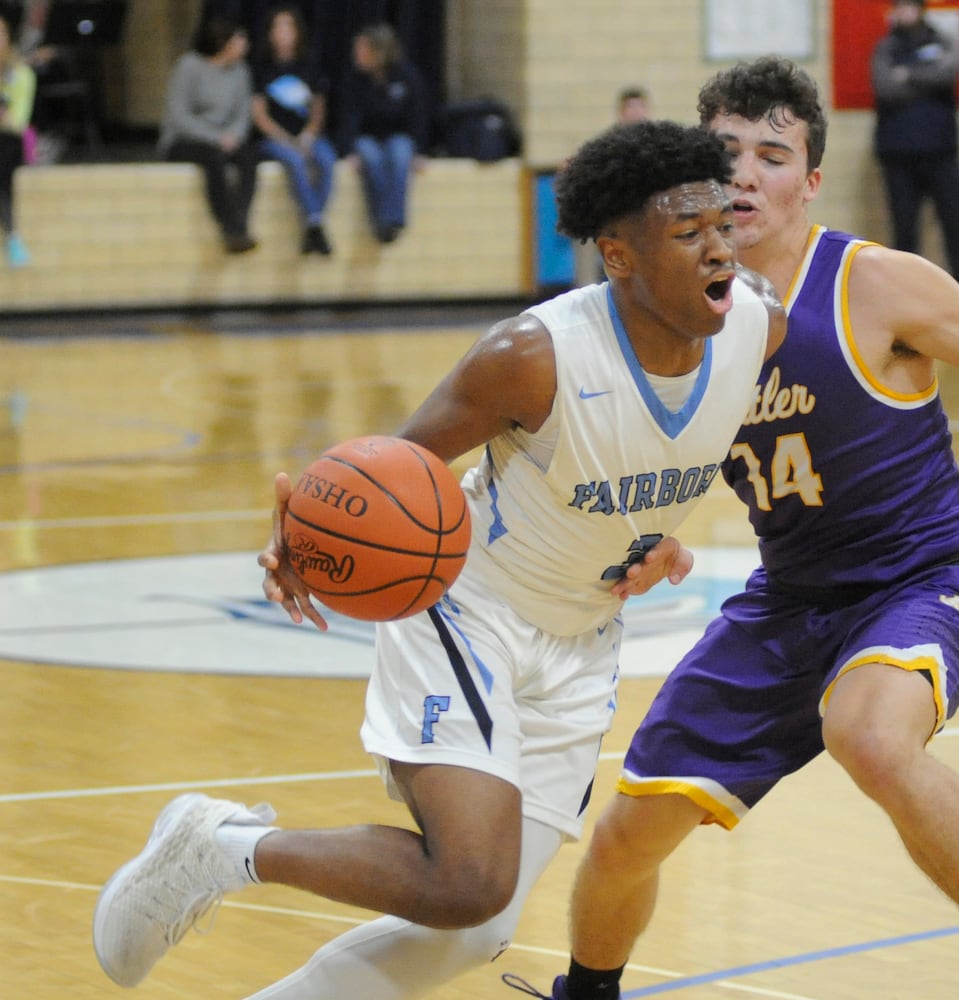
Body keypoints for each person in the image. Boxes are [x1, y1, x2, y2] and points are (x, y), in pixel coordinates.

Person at [91, 118, 788, 998]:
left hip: (583, 639)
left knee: (475, 928)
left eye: (721, 226)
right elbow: (389, 470)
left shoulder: (757, 326)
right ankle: (222, 849)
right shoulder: (532, 357)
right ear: (618, 257)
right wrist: (303, 534)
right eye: (687, 236)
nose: (717, 249)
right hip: (472, 610)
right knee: (467, 881)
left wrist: (661, 537)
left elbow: (674, 444)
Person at [508, 56, 959, 1000]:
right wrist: (651, 536)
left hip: (917, 582)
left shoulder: (873, 283)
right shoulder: (679, 315)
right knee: (630, 830)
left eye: (772, 153)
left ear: (809, 182)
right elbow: (663, 459)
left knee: (867, 734)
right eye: (725, 151)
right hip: (787, 599)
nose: (745, 172)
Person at [870, 0, 959, 299]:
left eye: (909, 6)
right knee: (904, 229)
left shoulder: (942, 41)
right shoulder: (886, 47)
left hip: (941, 151)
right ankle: (906, 294)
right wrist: (925, 79)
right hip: (898, 155)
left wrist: (907, 75)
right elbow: (884, 86)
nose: (904, 12)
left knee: (954, 223)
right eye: (899, 7)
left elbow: (949, 72)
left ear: (921, 10)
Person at [159, 16, 260, 254]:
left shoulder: (241, 71)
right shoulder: (189, 66)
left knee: (248, 157)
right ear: (223, 43)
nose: (245, 45)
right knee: (213, 160)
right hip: (187, 139)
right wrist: (216, 138)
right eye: (239, 40)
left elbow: (243, 114)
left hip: (226, 138)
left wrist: (233, 136)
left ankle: (241, 222)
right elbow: (178, 116)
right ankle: (228, 225)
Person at [250, 4, 336, 256]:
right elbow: (259, 115)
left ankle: (314, 222)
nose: (283, 32)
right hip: (276, 137)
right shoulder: (261, 67)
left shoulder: (310, 64)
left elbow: (318, 107)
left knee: (326, 159)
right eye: (278, 27)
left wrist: (308, 134)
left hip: (307, 135)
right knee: (295, 161)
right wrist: (287, 139)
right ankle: (315, 222)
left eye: (288, 26)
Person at [335, 22, 431, 244]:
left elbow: (418, 116)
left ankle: (393, 218)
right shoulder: (354, 79)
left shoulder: (406, 76)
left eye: (362, 49)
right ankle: (382, 219)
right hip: (367, 136)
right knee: (371, 158)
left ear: (378, 52)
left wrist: (421, 150)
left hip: (397, 134)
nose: (356, 54)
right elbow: (348, 118)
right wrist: (347, 150)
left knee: (400, 154)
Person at [0, 4, 34, 267]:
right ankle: (13, 236)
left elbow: (17, 120)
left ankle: (13, 237)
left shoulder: (21, 74)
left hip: (9, 141)